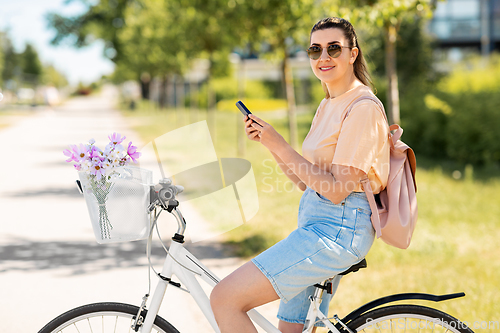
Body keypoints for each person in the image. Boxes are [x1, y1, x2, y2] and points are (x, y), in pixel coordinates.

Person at [210, 17, 390, 333]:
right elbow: (306, 183)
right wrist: (271, 144)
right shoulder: (328, 104)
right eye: (315, 49)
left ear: (353, 54)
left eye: (334, 48)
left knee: (225, 298)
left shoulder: (362, 108)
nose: (324, 57)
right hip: (315, 225)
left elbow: (336, 192)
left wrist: (280, 143)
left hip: (338, 232)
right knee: (290, 330)